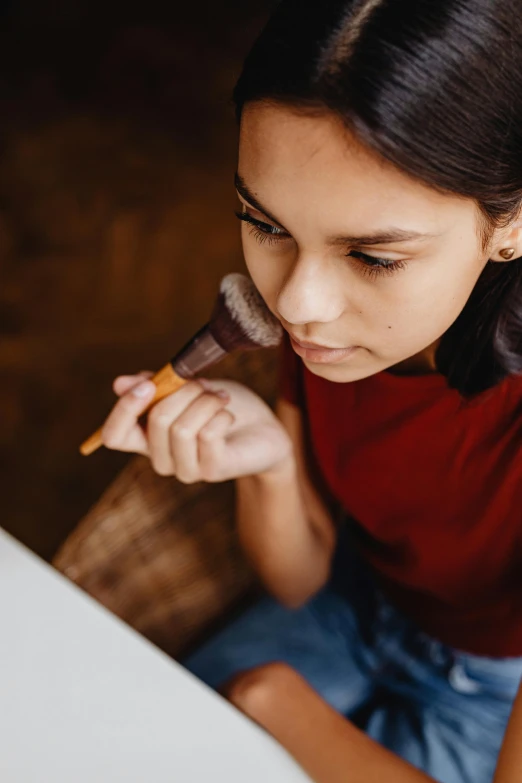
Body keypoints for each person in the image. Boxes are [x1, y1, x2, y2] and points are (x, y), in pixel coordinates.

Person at [99, 1, 522, 781]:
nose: (295, 304)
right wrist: (269, 464)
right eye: (264, 223)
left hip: (491, 694)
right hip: (356, 604)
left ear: (511, 221)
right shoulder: (335, 327)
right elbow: (301, 579)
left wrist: (273, 703)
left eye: (373, 257)